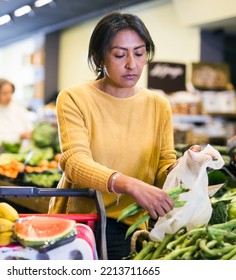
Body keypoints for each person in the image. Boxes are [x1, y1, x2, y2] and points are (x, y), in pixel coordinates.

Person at [48, 12, 203, 260]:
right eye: (120, 54)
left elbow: (163, 167)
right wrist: (130, 184)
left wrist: (184, 165)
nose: (132, 64)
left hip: (132, 226)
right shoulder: (74, 97)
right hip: (82, 222)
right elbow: (75, 163)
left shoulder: (158, 104)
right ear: (99, 57)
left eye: (139, 53)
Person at [0, 78, 33, 145]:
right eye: (4, 93)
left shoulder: (20, 109)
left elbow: (29, 130)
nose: (9, 96)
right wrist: (19, 137)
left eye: (10, 92)